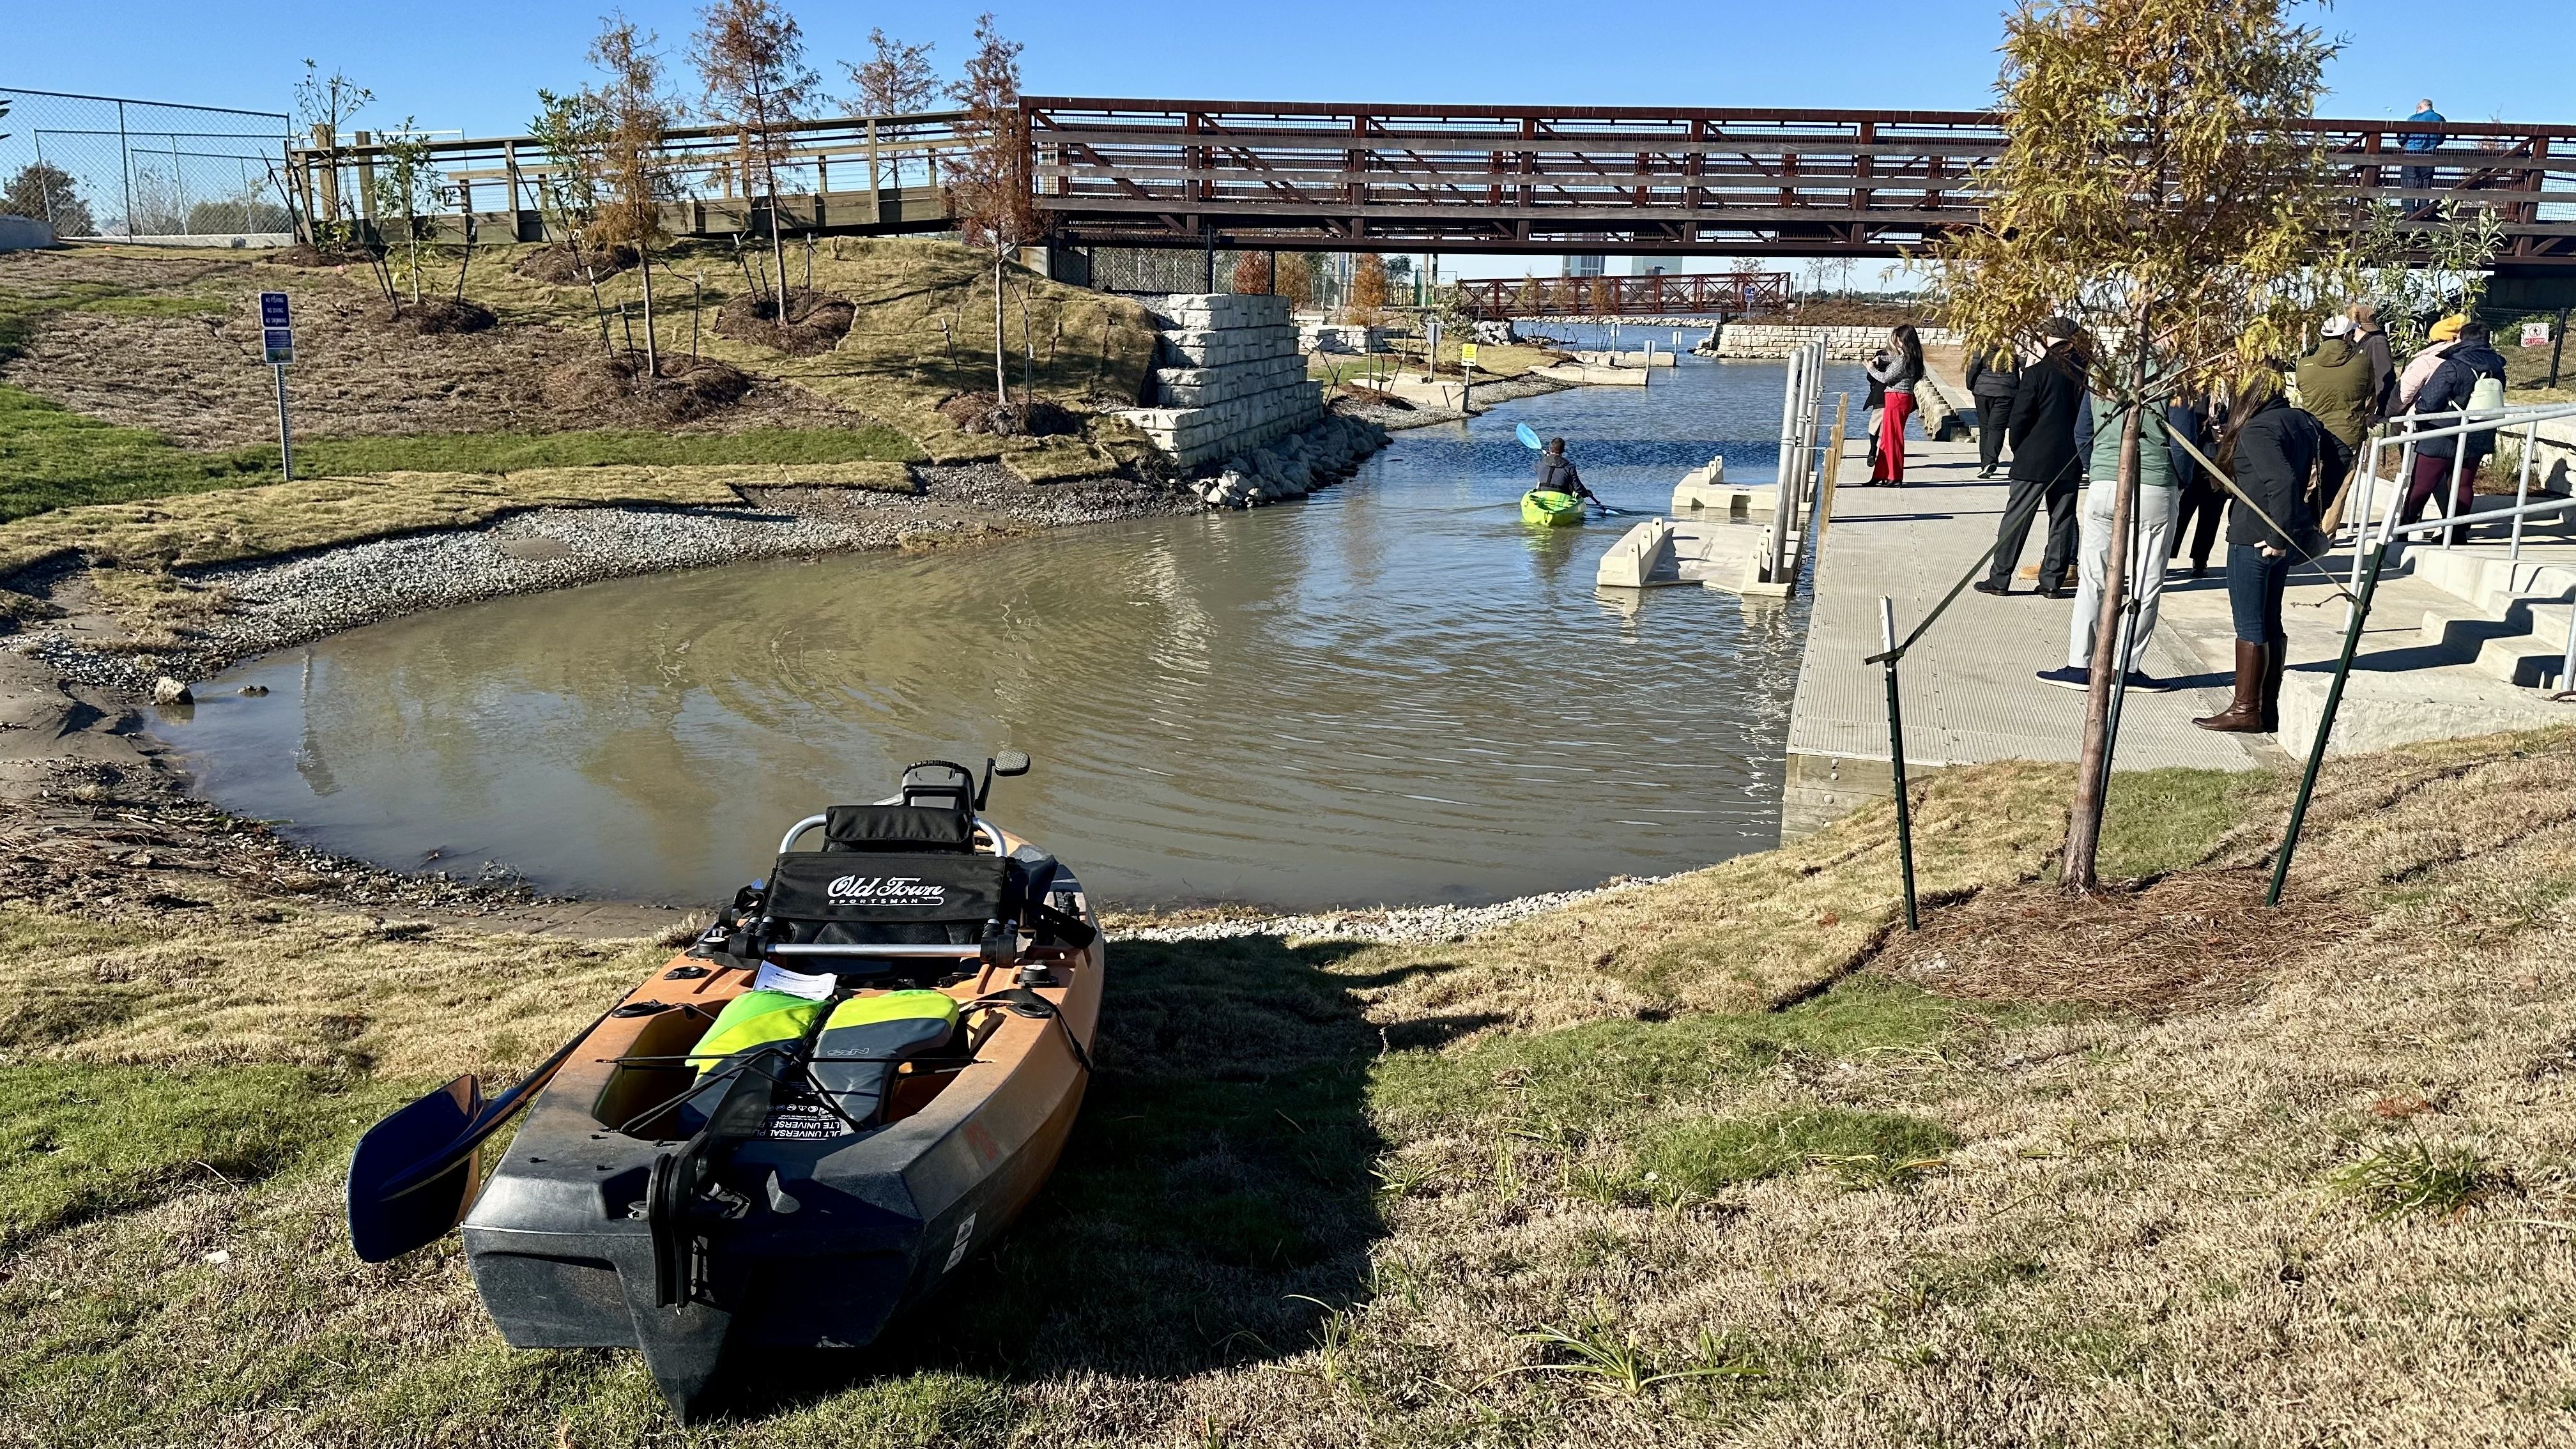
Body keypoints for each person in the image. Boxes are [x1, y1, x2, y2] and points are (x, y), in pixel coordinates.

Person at [2195, 374, 2324, 734]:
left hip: (2257, 537)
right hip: (2279, 534)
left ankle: (2246, 709)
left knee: (2251, 623)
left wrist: (2277, 536)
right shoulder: (2302, 420)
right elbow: (2338, 456)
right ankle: (2267, 709)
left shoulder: (2258, 429)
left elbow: (2282, 482)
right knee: (2269, 620)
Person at [2039, 381, 2181, 692]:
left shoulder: (2103, 371)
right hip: (2155, 482)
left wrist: (2097, 468)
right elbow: (2183, 438)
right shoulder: (2174, 373)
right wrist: (2179, 481)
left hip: (2104, 480)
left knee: (2092, 578)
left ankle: (2079, 663)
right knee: (2147, 579)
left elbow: (2083, 431)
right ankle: (2126, 667)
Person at [1974, 319, 2087, 598]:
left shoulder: (2037, 373)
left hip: (2034, 458)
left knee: (2016, 519)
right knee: (2061, 520)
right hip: (2069, 457)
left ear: (2049, 340)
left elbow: (2020, 418)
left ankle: (2000, 578)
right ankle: (2052, 582)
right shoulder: (2084, 376)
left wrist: (2018, 448)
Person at [2400, 320, 2510, 544]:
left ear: (2462, 338)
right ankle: (2457, 532)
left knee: (2422, 483)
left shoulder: (2452, 365)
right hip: (2478, 431)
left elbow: (2429, 402)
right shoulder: (2497, 366)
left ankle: (2404, 529)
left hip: (2442, 434)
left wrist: (2421, 415)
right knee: (2463, 484)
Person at [2296, 316, 2376, 536]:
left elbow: (2302, 390)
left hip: (2312, 434)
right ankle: (2325, 535)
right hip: (2348, 434)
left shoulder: (2305, 365)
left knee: (2307, 481)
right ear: (2347, 336)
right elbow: (2370, 391)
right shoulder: (2362, 362)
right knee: (2339, 487)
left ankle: (2298, 528)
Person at [2166, 392, 2223, 576]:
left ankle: (2201, 559)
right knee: (2182, 509)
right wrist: (2207, 432)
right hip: (2195, 457)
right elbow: (2188, 423)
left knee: (2212, 513)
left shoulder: (2237, 390)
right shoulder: (2199, 388)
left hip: (2221, 461)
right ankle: (2167, 553)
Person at [1865, 325, 1924, 486]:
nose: (1896, 341)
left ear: (1902, 340)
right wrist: (1882, 359)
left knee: (1894, 438)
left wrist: (1871, 369)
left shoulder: (1906, 359)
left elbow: (1885, 378)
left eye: (1898, 338)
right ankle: (1881, 474)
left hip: (1897, 398)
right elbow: (1896, 361)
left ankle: (1895, 475)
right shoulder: (1913, 357)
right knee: (1886, 438)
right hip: (1902, 398)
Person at [1961, 343, 2021, 479]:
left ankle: (1985, 463)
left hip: (1983, 391)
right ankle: (1990, 461)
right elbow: (2023, 364)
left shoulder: (1982, 345)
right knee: (1997, 428)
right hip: (2006, 391)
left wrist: (1971, 385)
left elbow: (1974, 367)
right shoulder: (2012, 346)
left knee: (1985, 427)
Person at [2395, 314, 2464, 417]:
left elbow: (2403, 396)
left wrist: (2386, 413)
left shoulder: (2426, 361)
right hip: (2457, 421)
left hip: (2419, 421)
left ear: (2435, 338)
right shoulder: (2468, 359)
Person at [2350, 302, 2396, 423]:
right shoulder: (2358, 343)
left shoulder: (2377, 342)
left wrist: (2380, 410)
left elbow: (2385, 377)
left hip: (2370, 408)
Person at [1534, 436, 1604, 510]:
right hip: (1562, 498)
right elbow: (1578, 489)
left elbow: (1538, 468)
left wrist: (1548, 458)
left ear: (1550, 449)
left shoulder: (1540, 463)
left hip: (1543, 495)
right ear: (1563, 451)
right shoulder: (1570, 467)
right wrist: (1586, 493)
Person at [2402, 99, 2445, 204]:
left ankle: (2409, 214)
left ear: (2420, 108)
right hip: (2430, 155)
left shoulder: (2413, 118)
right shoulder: (2440, 119)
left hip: (2411, 155)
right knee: (2426, 185)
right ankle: (2423, 213)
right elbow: (2441, 139)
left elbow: (2402, 138)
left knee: (2409, 184)